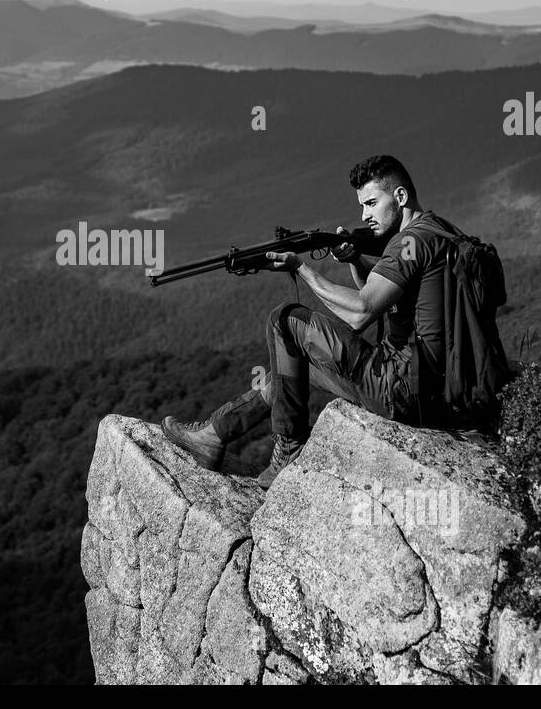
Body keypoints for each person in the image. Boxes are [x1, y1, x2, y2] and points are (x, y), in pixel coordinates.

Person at [161, 154, 464, 489]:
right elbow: (382, 302)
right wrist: (356, 260)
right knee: (293, 370)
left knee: (285, 320)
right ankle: (213, 434)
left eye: (373, 203)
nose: (365, 215)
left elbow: (361, 313)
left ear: (401, 197)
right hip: (437, 391)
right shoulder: (441, 232)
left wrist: (301, 269)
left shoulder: (408, 243)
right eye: (362, 205)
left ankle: (288, 449)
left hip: (401, 390)